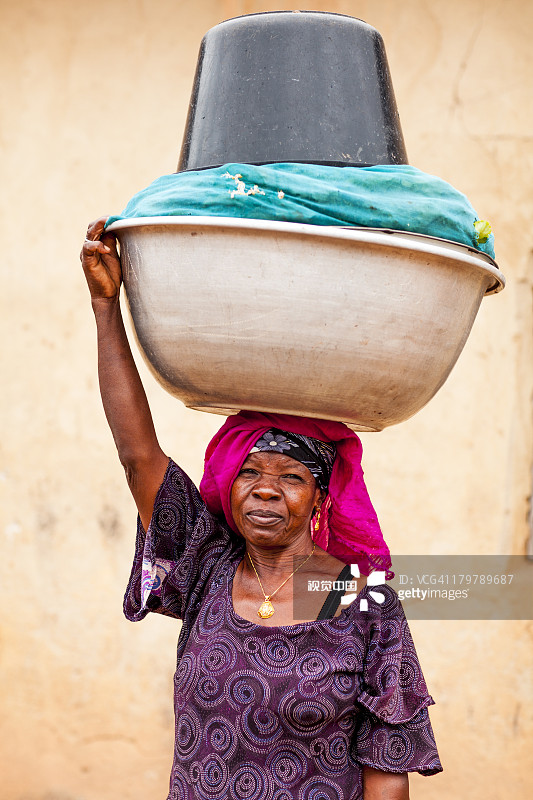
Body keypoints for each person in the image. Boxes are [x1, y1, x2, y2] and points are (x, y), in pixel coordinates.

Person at [81, 217, 442, 800]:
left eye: (291, 478)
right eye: (248, 471)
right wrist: (106, 306)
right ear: (228, 487)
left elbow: (388, 767)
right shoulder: (206, 563)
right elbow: (138, 456)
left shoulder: (366, 602)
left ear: (321, 498)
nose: (266, 490)